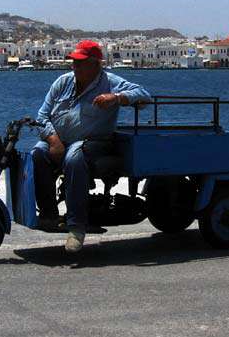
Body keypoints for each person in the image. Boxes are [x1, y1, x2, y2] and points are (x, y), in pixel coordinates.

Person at [32, 40, 151, 253]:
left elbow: (143, 94)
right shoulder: (63, 82)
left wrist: (116, 98)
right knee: (37, 153)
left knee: (74, 156)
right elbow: (42, 116)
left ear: (95, 64)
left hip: (94, 144)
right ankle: (48, 215)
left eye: (80, 62)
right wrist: (53, 139)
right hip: (58, 141)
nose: (74, 66)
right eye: (74, 62)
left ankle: (77, 227)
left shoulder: (109, 82)